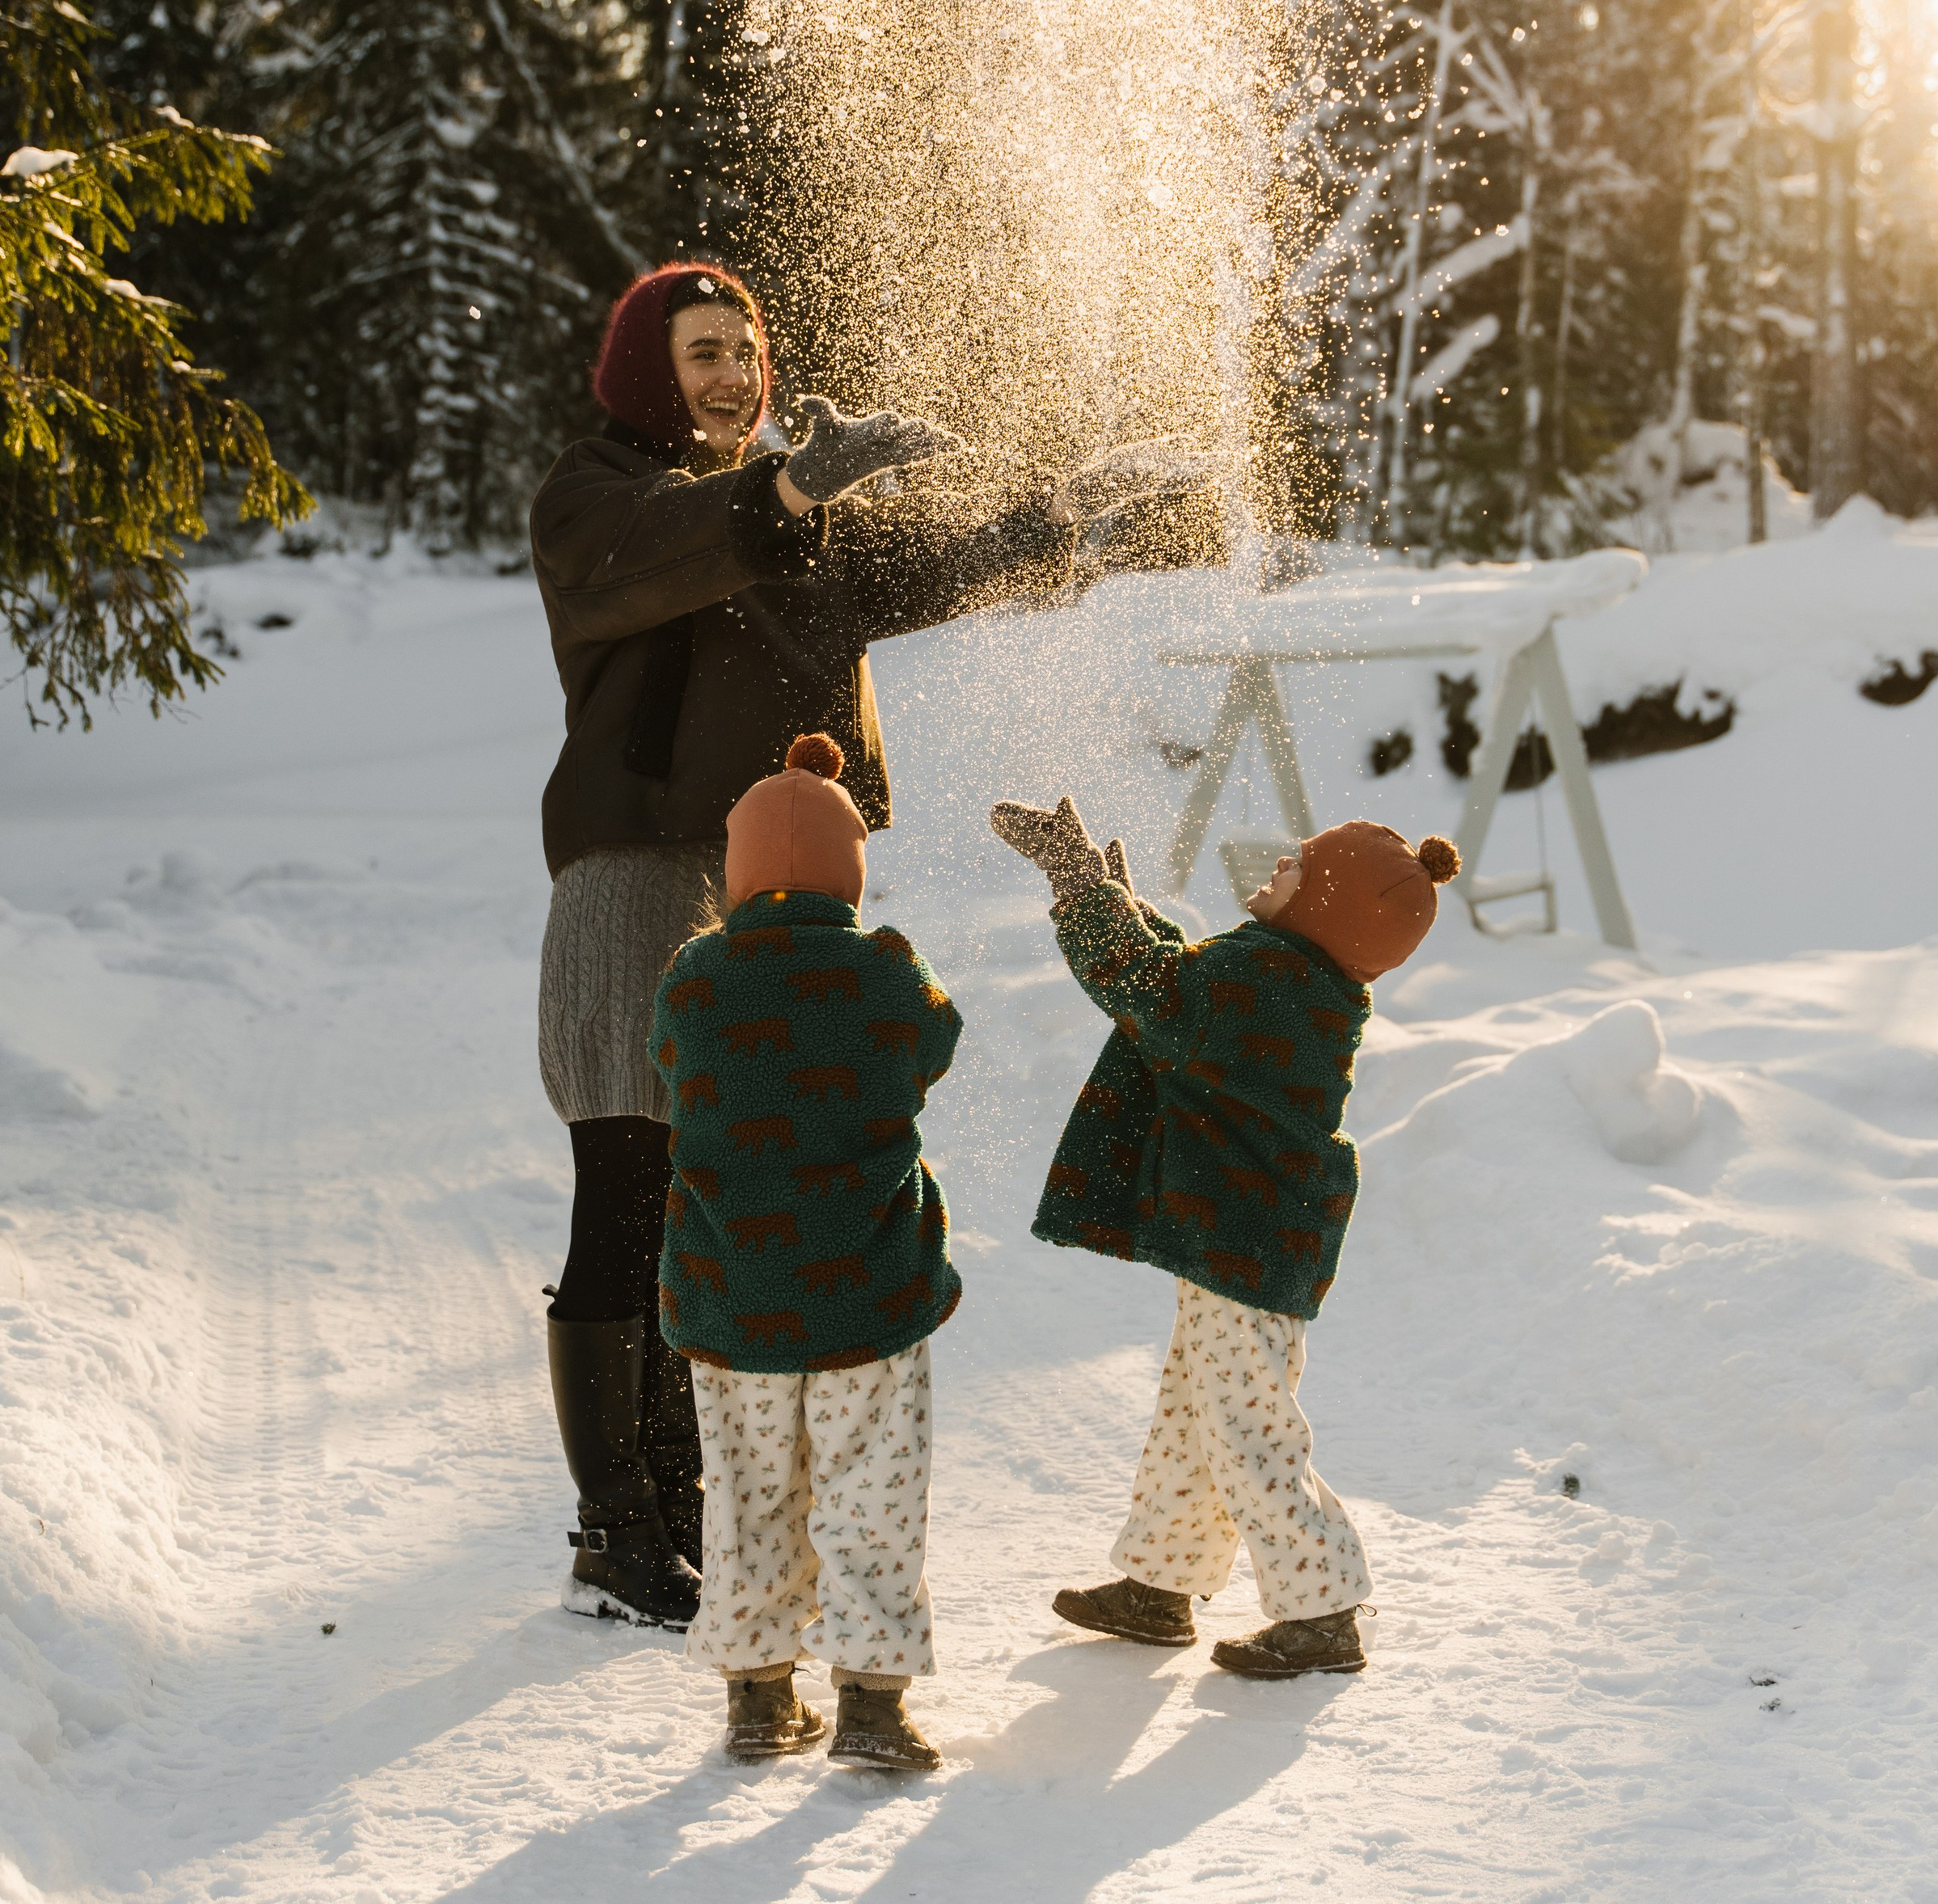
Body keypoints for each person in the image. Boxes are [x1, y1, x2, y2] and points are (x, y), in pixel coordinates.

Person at [530, 256, 1204, 1627]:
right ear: (649, 372)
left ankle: (689, 1500)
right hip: (637, 876)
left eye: (746, 350)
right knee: (628, 1179)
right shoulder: (595, 497)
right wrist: (780, 492)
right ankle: (617, 1529)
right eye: (703, 353)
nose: (733, 375)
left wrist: (1068, 515)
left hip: (764, 887)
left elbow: (933, 562)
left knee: (703, 1198)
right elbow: (648, 564)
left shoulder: (793, 511)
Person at [990, 792, 1459, 1680]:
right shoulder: (1287, 980)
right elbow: (1184, 985)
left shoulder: (1268, 982)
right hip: (1247, 1240)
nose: (1274, 870)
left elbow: (1150, 989)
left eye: (1295, 868)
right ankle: (1160, 1587)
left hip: (1245, 1243)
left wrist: (1080, 886)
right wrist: (1119, 905)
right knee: (1197, 1411)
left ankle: (1321, 1607)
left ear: (1324, 905)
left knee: (1246, 1426)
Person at [652, 732, 961, 1772]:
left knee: (745, 1494)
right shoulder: (884, 968)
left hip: (730, 1300)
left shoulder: (695, 978)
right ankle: (872, 1705)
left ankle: (758, 1697)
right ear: (851, 875)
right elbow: (937, 1043)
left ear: (735, 876)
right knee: (870, 1493)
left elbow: (668, 1064)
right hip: (865, 1299)